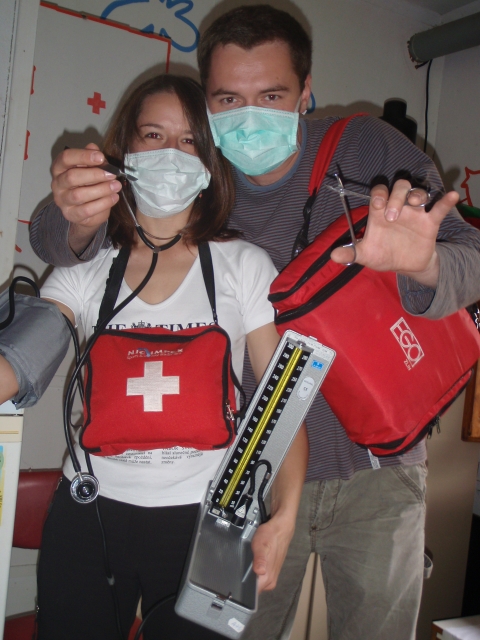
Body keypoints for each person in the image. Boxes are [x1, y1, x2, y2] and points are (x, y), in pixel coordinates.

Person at [28, 5, 480, 640]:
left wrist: (423, 263)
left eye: (271, 96)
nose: (248, 118)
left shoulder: (367, 149)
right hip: (248, 476)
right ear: (207, 106)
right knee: (232, 631)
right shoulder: (195, 176)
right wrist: (71, 214)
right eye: (227, 100)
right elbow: (71, 247)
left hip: (377, 472)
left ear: (305, 92)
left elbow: (472, 261)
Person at [1, 73, 308, 640]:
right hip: (91, 511)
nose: (171, 153)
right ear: (124, 151)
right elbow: (18, 362)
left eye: (189, 140)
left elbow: (283, 404)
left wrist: (285, 514)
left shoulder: (245, 265)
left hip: (214, 516)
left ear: (211, 160)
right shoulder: (84, 267)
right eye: (153, 135)